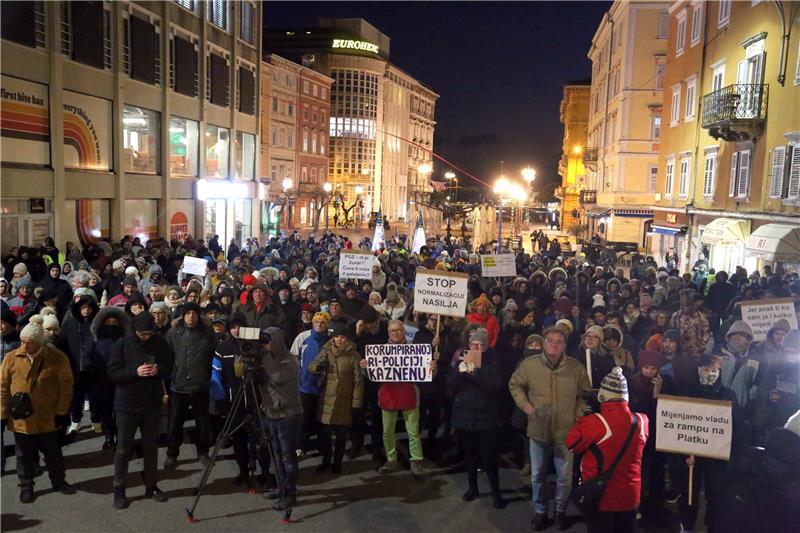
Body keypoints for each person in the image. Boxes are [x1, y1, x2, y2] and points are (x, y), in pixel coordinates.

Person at [509, 326, 591, 531]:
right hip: (538, 430)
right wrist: (527, 407)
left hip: (566, 433)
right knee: (538, 475)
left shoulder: (576, 368)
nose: (554, 344)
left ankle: (560, 510)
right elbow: (514, 384)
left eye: (558, 341)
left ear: (564, 345)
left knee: (565, 478)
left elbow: (585, 395)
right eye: (550, 340)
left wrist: (577, 415)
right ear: (544, 343)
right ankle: (540, 510)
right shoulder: (530, 365)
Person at [0, 317, 76, 503]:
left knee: (53, 454)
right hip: (21, 421)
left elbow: (66, 386)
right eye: (22, 341)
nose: (24, 345)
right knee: (23, 456)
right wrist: (2, 414)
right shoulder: (11, 358)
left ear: (39, 342)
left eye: (28, 342)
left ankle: (59, 482)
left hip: (48, 417)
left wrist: (62, 412)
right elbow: (2, 387)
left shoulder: (57, 358)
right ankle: (26, 485)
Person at [566, 367, 649, 533]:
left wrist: (583, 420)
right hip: (630, 496)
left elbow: (572, 444)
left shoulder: (595, 423)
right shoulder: (642, 421)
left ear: (602, 395)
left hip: (602, 496)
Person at [107, 312, 172, 508]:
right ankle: (119, 489)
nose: (146, 337)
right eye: (143, 334)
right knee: (123, 449)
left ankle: (151, 486)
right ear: (135, 331)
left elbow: (169, 366)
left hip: (151, 404)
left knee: (151, 448)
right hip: (126, 405)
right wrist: (134, 372)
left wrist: (158, 369)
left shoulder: (159, 342)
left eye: (149, 333)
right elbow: (112, 373)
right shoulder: (122, 344)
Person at [448, 328, 504, 509]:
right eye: (473, 344)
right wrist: (460, 371)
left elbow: (494, 386)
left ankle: (496, 493)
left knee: (488, 458)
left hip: (486, 418)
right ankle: (473, 488)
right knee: (469, 456)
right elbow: (450, 386)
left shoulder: (493, 362)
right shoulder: (462, 359)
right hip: (465, 416)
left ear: (486, 347)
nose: (476, 347)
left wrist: (476, 374)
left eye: (480, 345)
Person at [363, 320, 426, 477]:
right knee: (387, 432)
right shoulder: (380, 351)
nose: (395, 333)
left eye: (398, 330)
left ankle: (416, 460)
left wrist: (432, 367)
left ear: (404, 332)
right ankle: (391, 459)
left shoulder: (415, 350)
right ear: (388, 333)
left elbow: (425, 373)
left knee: (413, 431)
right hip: (388, 395)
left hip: (408, 394)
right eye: (392, 331)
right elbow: (372, 376)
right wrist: (365, 368)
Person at [164, 302, 215, 468]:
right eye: (188, 314)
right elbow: (167, 357)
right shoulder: (173, 333)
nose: (191, 316)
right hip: (178, 385)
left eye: (194, 313)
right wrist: (173, 374)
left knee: (202, 422)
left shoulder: (207, 333)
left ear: (198, 315)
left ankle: (203, 452)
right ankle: (172, 453)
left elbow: (213, 356)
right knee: (175, 422)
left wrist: (207, 375)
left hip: (200, 384)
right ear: (183, 315)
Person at [308, 323, 363, 475]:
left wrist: (356, 402)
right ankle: (326, 460)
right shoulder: (326, 351)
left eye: (343, 337)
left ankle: (337, 463)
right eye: (337, 337)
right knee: (325, 436)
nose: (339, 340)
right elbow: (311, 367)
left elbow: (358, 381)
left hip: (344, 402)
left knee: (341, 437)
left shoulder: (353, 356)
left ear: (347, 339)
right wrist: (320, 366)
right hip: (327, 400)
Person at [259, 327, 302, 511]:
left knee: (287, 455)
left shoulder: (289, 359)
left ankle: (290, 493)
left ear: (276, 340)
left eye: (268, 341)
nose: (265, 344)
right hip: (270, 411)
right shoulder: (265, 358)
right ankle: (281, 487)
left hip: (288, 413)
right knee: (276, 454)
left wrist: (261, 366)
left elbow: (278, 378)